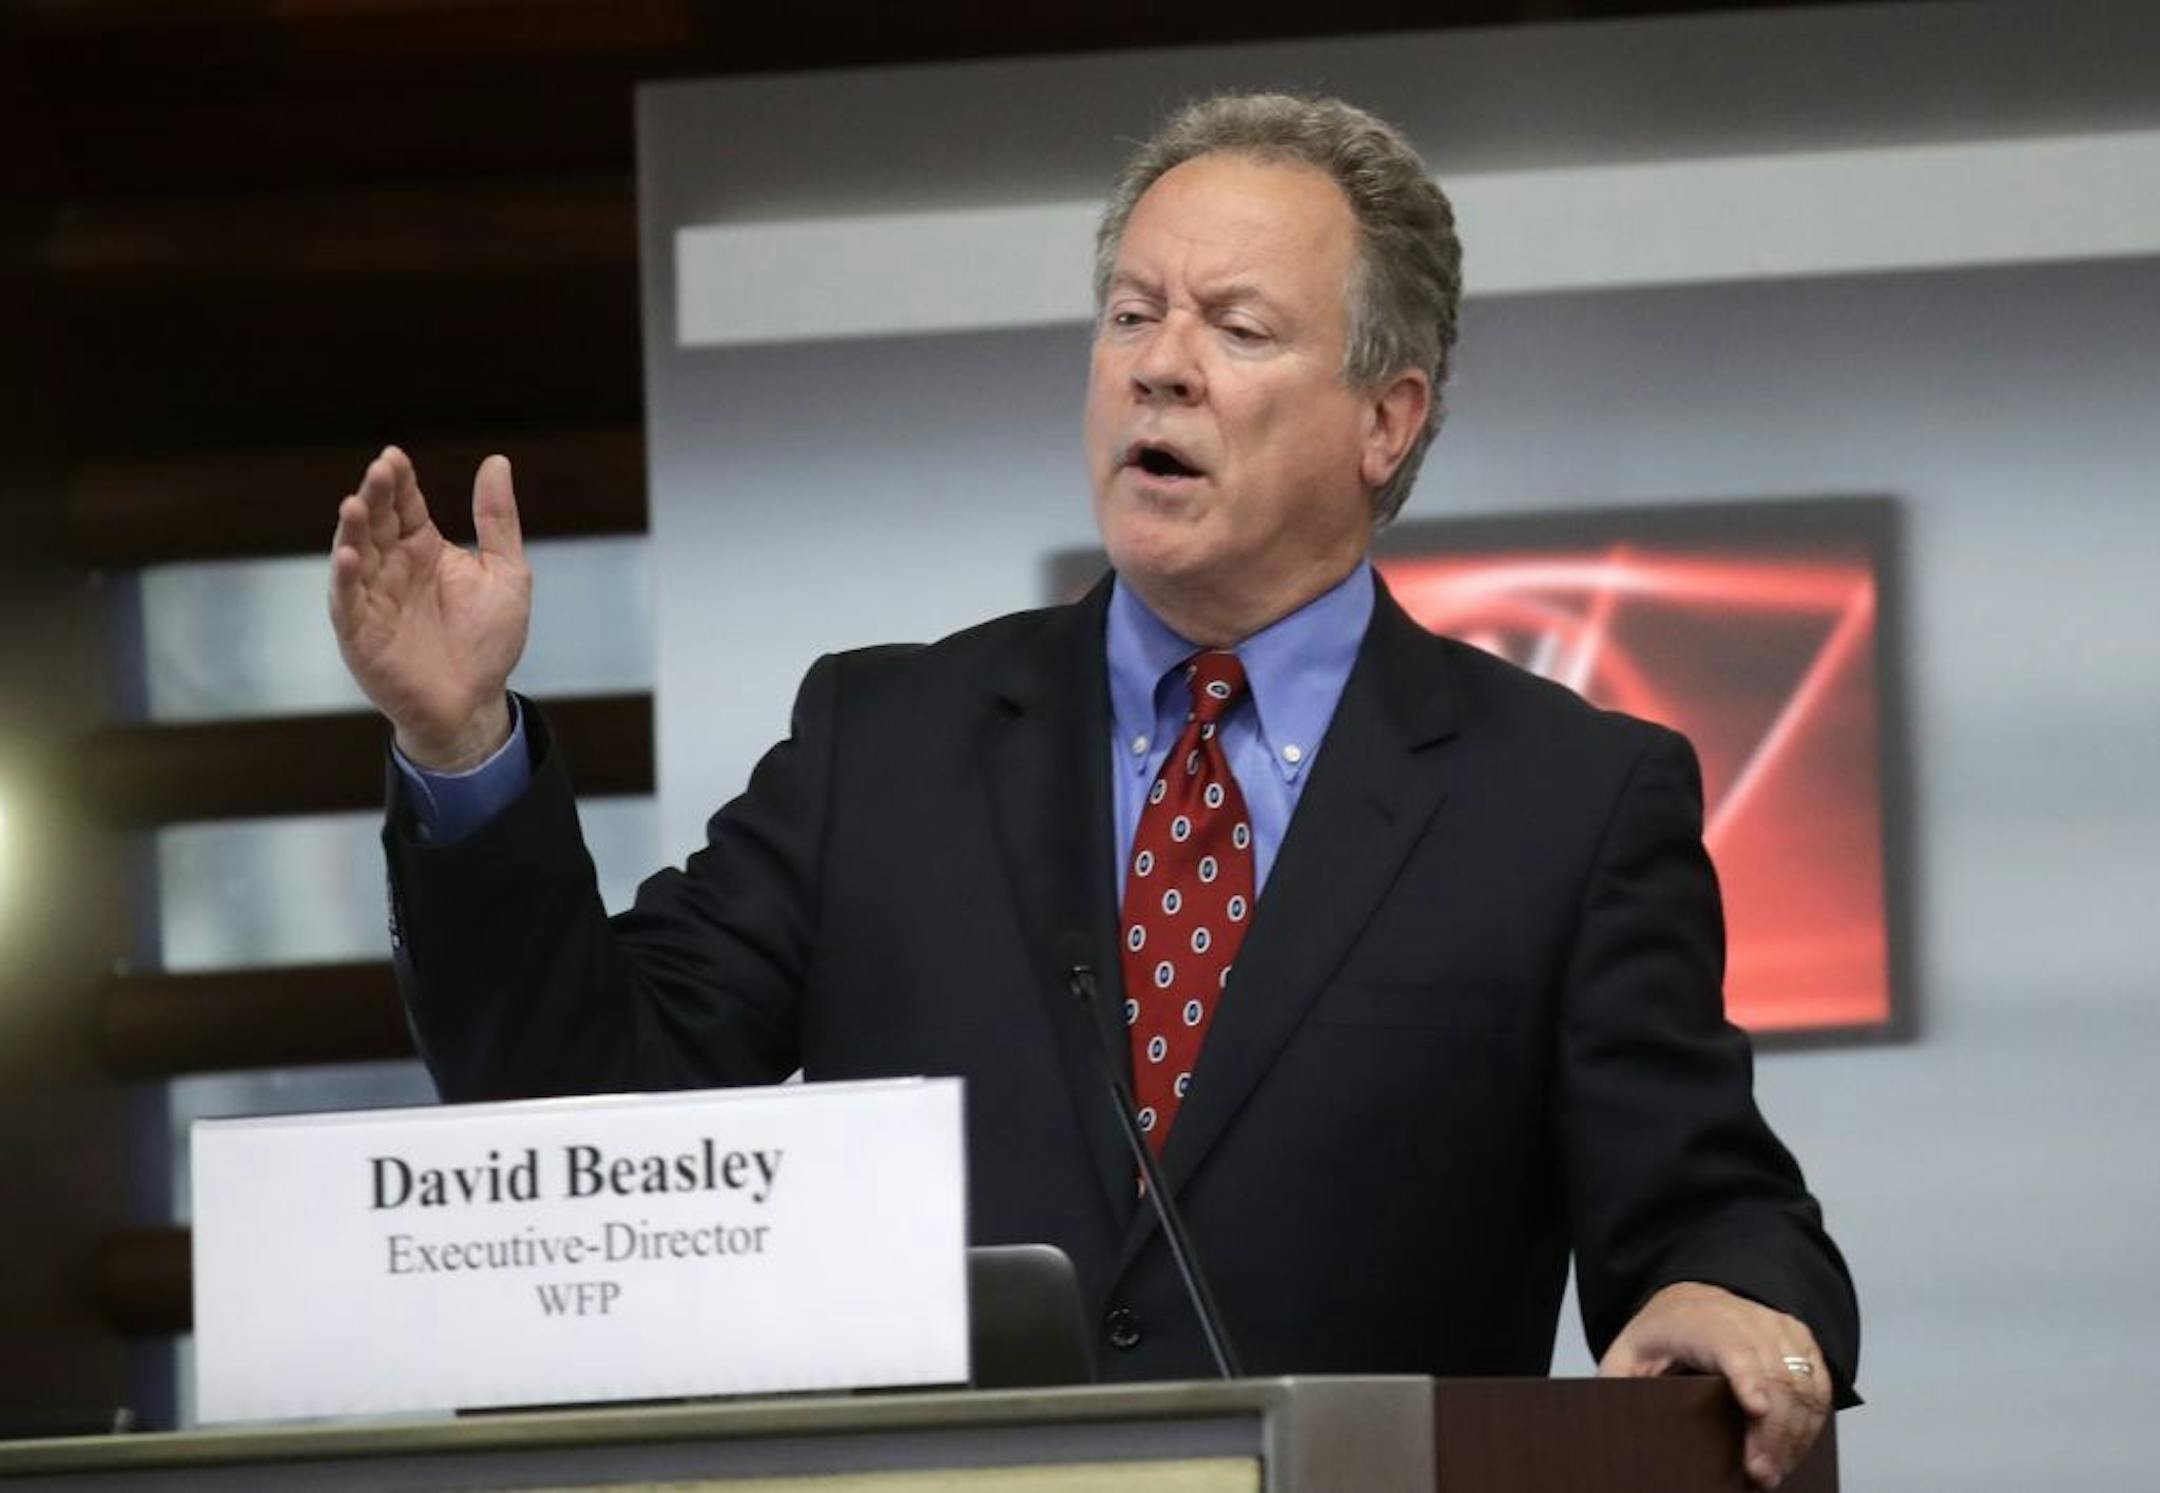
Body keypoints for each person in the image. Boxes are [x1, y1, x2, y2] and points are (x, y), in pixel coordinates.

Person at [330, 94, 1857, 1487]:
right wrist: (462, 747)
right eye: (1132, 313)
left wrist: (1747, 1304)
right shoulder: (889, 740)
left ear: (1387, 418)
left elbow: (1713, 1209)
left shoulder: (1565, 802)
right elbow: (592, 1109)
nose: (1159, 361)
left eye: (1238, 328)